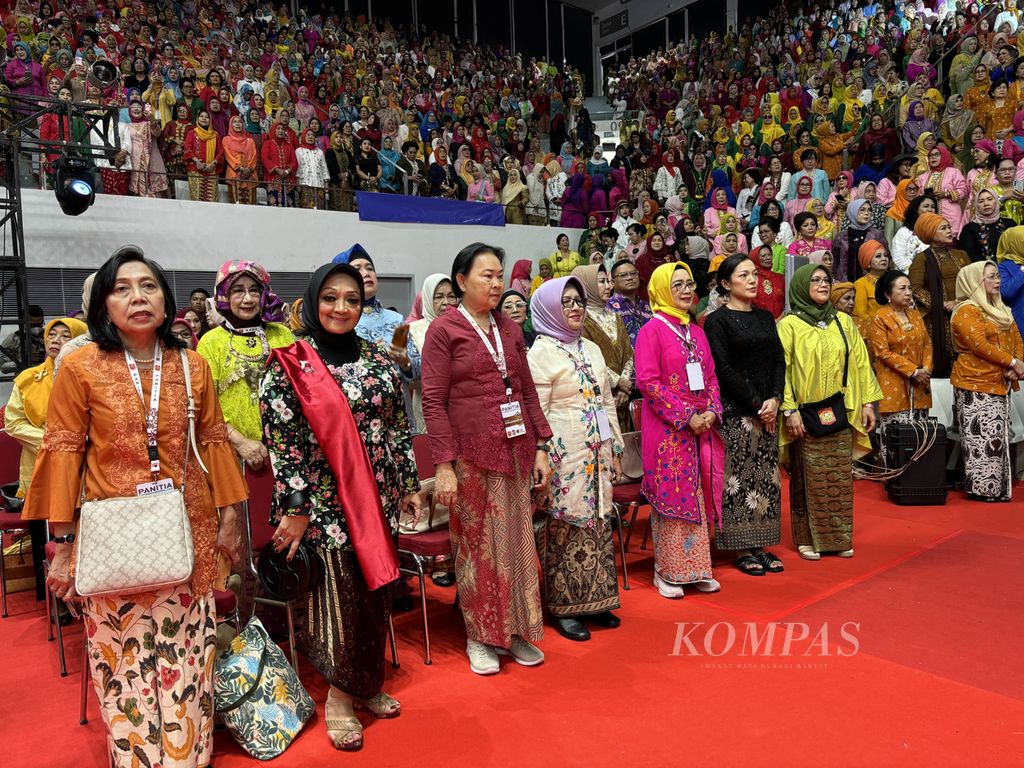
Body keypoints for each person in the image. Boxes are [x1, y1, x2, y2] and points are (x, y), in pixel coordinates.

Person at [24, 246, 247, 768]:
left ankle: (189, 756)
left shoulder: (192, 366)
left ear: (166, 304)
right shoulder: (78, 367)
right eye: (121, 288)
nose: (137, 296)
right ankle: (138, 759)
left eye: (147, 286)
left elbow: (213, 441)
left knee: (188, 655)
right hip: (114, 535)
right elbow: (62, 453)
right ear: (103, 306)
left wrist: (231, 517)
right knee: (122, 660)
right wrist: (60, 543)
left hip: (188, 527)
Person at [260, 262, 420, 750]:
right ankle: (338, 697)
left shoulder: (376, 358)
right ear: (313, 302)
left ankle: (365, 682)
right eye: (330, 298)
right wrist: (295, 504)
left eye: (351, 299)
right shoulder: (291, 362)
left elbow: (397, 425)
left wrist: (409, 484)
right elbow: (282, 441)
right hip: (322, 506)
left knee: (373, 596)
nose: (341, 308)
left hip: (377, 500)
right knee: (338, 599)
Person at [421, 243, 551, 675]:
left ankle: (513, 631)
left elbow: (527, 390)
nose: (497, 284)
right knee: (477, 548)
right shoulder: (444, 330)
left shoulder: (511, 329)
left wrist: (543, 446)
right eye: (487, 276)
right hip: (470, 457)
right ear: (461, 281)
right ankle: (480, 634)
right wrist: (443, 465)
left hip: (515, 451)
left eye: (500, 276)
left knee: (516, 543)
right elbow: (434, 402)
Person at [527, 276, 624, 641]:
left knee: (598, 521)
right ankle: (564, 607)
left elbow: (606, 402)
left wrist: (615, 448)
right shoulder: (541, 353)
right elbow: (536, 411)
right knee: (565, 526)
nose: (574, 307)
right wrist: (544, 455)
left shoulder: (592, 349)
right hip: (563, 456)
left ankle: (597, 600)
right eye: (565, 302)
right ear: (550, 308)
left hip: (596, 450)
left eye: (579, 301)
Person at [778, 264, 882, 560]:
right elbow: (781, 372)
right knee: (808, 477)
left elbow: (861, 363)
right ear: (800, 286)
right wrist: (789, 410)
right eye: (815, 280)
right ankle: (807, 538)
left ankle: (837, 537)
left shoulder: (843, 322)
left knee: (837, 477)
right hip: (805, 413)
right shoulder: (789, 326)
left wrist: (867, 403)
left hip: (841, 410)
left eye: (826, 280)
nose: (823, 284)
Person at [634, 262, 722, 598]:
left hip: (701, 426)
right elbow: (648, 383)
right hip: (668, 429)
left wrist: (712, 411)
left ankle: (697, 568)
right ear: (660, 291)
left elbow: (711, 376)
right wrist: (687, 415)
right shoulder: (651, 331)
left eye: (689, 284)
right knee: (673, 494)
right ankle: (667, 571)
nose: (687, 290)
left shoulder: (695, 330)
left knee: (697, 493)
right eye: (677, 286)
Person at [704, 255, 786, 576]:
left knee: (766, 479)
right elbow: (722, 369)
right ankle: (740, 546)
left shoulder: (766, 318)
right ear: (726, 284)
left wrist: (775, 399)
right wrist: (756, 404)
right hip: (737, 411)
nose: (753, 280)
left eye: (754, 274)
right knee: (737, 480)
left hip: (767, 410)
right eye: (744, 275)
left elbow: (779, 360)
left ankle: (761, 543)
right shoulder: (716, 321)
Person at [196, 261, 294, 469]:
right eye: (238, 291)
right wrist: (241, 442)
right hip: (232, 451)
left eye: (254, 291)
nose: (248, 299)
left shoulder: (282, 334)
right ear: (224, 295)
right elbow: (205, 404)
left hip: (287, 449)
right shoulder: (211, 342)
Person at [950, 261, 1024, 502]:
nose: (998, 281)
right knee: (980, 440)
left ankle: (997, 489)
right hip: (975, 382)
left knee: (997, 438)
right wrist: (1013, 363)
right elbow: (979, 346)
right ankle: (982, 490)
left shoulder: (1001, 308)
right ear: (975, 282)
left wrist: (1016, 366)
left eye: (996, 276)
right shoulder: (966, 310)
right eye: (991, 277)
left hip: (1000, 382)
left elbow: (1017, 340)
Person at [5, 317, 87, 499]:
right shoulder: (28, 378)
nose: (56, 340)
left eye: (66, 336)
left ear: (81, 341)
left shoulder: (91, 379)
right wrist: (56, 442)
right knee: (42, 521)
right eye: (51, 334)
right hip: (39, 459)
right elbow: (13, 423)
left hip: (82, 463)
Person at [869, 270, 933, 468]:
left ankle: (919, 477)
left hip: (920, 385)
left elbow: (927, 344)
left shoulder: (915, 315)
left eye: (909, 288)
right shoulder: (880, 317)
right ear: (888, 294)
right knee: (896, 436)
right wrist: (914, 371)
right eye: (902, 288)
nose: (908, 293)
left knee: (919, 435)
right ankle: (894, 477)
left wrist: (926, 369)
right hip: (894, 383)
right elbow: (882, 352)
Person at [332, 245, 420, 382]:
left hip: (397, 399)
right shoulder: (339, 320)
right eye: (357, 269)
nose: (366, 273)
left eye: (370, 268)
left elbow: (419, 370)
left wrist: (405, 362)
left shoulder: (395, 319)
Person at [572, 264, 635, 432]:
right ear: (587, 286)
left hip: (623, 397)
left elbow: (629, 354)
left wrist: (624, 386)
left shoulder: (616, 316)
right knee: (606, 444)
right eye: (601, 282)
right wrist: (617, 382)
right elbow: (586, 357)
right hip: (600, 396)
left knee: (626, 447)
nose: (608, 286)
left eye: (608, 281)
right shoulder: (580, 321)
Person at [909, 213, 971, 378]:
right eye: (943, 228)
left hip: (964, 313)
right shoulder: (921, 259)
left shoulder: (962, 255)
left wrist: (958, 302)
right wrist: (942, 303)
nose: (949, 231)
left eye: (949, 227)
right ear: (930, 233)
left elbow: (974, 283)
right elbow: (914, 289)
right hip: (938, 318)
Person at [408, 273, 457, 433]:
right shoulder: (408, 330)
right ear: (428, 299)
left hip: (462, 409)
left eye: (451, 296)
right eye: (438, 297)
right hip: (427, 408)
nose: (446, 303)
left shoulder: (465, 328)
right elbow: (406, 375)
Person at [833, 199, 886, 282]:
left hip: (870, 283)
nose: (866, 213)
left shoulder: (876, 235)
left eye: (869, 210)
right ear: (853, 211)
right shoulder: (841, 236)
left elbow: (886, 258)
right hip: (845, 283)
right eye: (862, 210)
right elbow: (835, 262)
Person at [960, 189, 1015, 263]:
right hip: (983, 271)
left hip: (1011, 269)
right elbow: (969, 255)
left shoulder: (1010, 223)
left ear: (996, 201)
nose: (986, 204)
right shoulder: (969, 229)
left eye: (990, 199)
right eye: (981, 201)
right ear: (976, 205)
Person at [606, 259, 653, 346]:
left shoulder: (647, 306)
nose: (630, 278)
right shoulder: (608, 307)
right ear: (612, 283)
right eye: (623, 275)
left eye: (633, 273)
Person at [852, 240, 892, 335]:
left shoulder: (894, 280)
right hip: (875, 332)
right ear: (868, 262)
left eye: (885, 255)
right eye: (878, 256)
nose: (884, 259)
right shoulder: (861, 284)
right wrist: (881, 327)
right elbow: (861, 314)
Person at [996, 226, 1024, 332]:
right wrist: (1022, 271)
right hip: (1019, 321)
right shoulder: (1003, 267)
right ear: (1015, 244)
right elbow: (1004, 293)